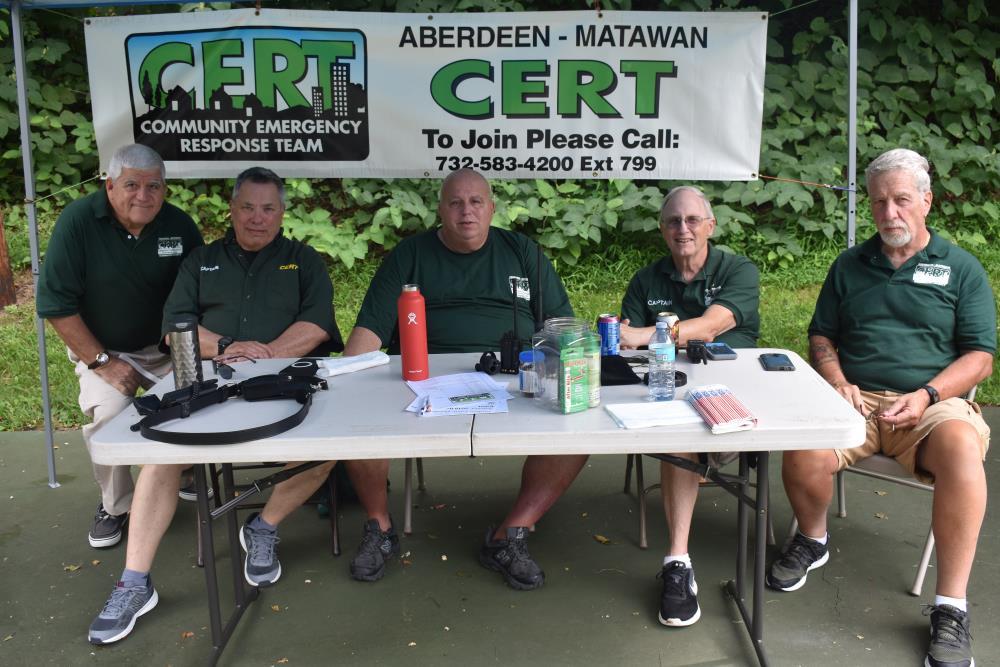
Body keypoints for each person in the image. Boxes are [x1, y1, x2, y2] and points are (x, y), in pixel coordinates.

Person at [88, 166, 343, 645]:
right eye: (247, 207)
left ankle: (263, 525)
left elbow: (319, 325)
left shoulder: (304, 260)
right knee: (160, 460)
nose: (257, 219)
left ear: (282, 213)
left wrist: (267, 354)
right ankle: (134, 582)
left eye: (268, 209)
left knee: (326, 450)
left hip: (285, 379)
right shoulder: (200, 260)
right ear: (232, 209)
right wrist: (228, 344)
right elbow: (174, 328)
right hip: (210, 379)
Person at [767, 148, 994, 667]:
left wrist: (929, 395)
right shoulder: (850, 264)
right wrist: (838, 379)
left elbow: (980, 357)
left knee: (962, 448)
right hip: (858, 395)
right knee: (802, 442)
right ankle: (813, 538)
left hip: (933, 402)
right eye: (879, 202)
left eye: (902, 201)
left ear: (927, 202)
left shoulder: (961, 268)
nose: (890, 213)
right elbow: (821, 334)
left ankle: (951, 607)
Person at [340, 168, 579, 590]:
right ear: (440, 209)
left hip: (512, 376)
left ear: (491, 208)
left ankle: (511, 535)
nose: (466, 212)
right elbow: (369, 334)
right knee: (358, 415)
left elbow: (562, 324)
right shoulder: (409, 255)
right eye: (455, 202)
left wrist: (569, 371)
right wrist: (344, 382)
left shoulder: (522, 251)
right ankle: (379, 526)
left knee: (577, 424)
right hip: (423, 376)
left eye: (476, 202)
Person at [36, 144, 203, 549]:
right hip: (104, 348)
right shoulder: (77, 222)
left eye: (154, 186)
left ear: (164, 190)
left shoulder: (179, 226)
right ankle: (116, 505)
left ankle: (190, 471)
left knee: (200, 399)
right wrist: (102, 362)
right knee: (106, 415)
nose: (143, 196)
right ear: (109, 185)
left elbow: (203, 290)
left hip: (166, 346)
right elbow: (56, 305)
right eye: (131, 185)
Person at [618, 185, 760, 628]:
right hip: (663, 390)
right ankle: (678, 563)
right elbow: (623, 340)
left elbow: (715, 324)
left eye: (693, 220)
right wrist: (637, 339)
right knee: (680, 437)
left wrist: (650, 335)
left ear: (711, 226)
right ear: (662, 230)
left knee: (687, 438)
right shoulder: (646, 279)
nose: (684, 229)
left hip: (731, 392)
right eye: (674, 221)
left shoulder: (738, 269)